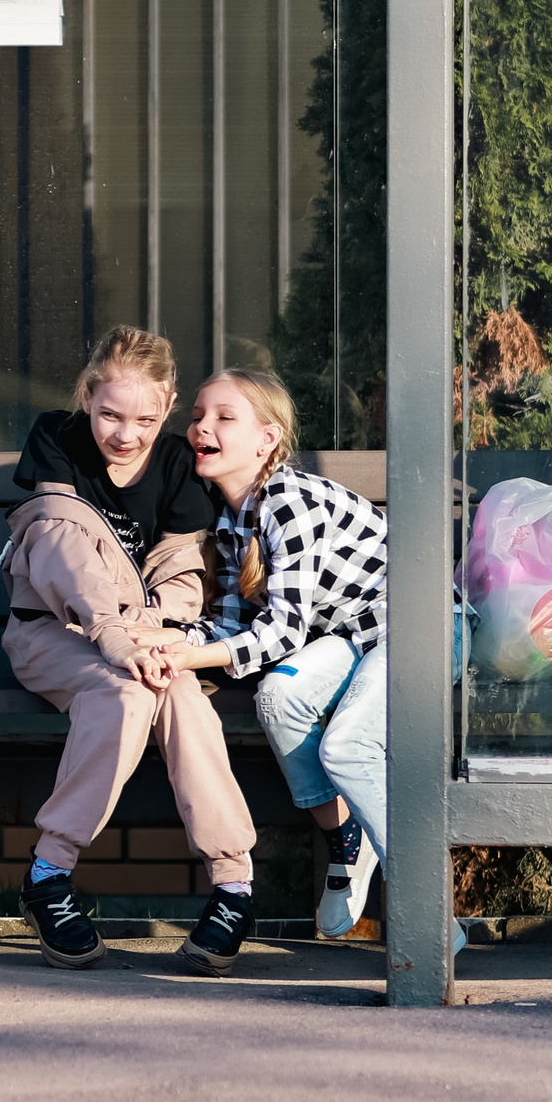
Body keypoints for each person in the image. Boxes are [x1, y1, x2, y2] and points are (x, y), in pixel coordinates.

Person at [1, 329, 259, 976]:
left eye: (145, 417)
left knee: (178, 693)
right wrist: (120, 640)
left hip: (143, 642)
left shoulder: (174, 464)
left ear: (169, 403)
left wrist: (163, 636)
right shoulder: (56, 438)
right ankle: (49, 874)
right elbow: (60, 556)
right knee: (122, 690)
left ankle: (234, 886)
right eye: (111, 413)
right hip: (54, 634)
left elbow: (180, 571)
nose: (126, 433)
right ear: (88, 396)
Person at [164, 368, 394, 948]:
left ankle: (426, 906)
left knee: (347, 747)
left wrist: (191, 660)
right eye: (196, 416)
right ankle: (348, 842)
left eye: (223, 417)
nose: (201, 428)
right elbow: (233, 627)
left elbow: (282, 635)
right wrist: (169, 642)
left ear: (267, 439)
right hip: (351, 639)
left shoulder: (287, 502)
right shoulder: (231, 520)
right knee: (280, 697)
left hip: (415, 632)